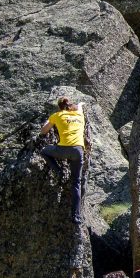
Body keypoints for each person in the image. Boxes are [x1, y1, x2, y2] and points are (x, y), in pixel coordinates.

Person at [39, 96, 88, 224]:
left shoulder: (57, 115)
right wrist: (80, 104)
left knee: (44, 151)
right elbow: (80, 108)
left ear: (59, 107)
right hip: (78, 151)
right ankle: (76, 216)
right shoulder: (79, 116)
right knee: (76, 182)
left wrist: (44, 128)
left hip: (62, 150)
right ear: (71, 107)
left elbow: (43, 131)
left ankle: (59, 171)